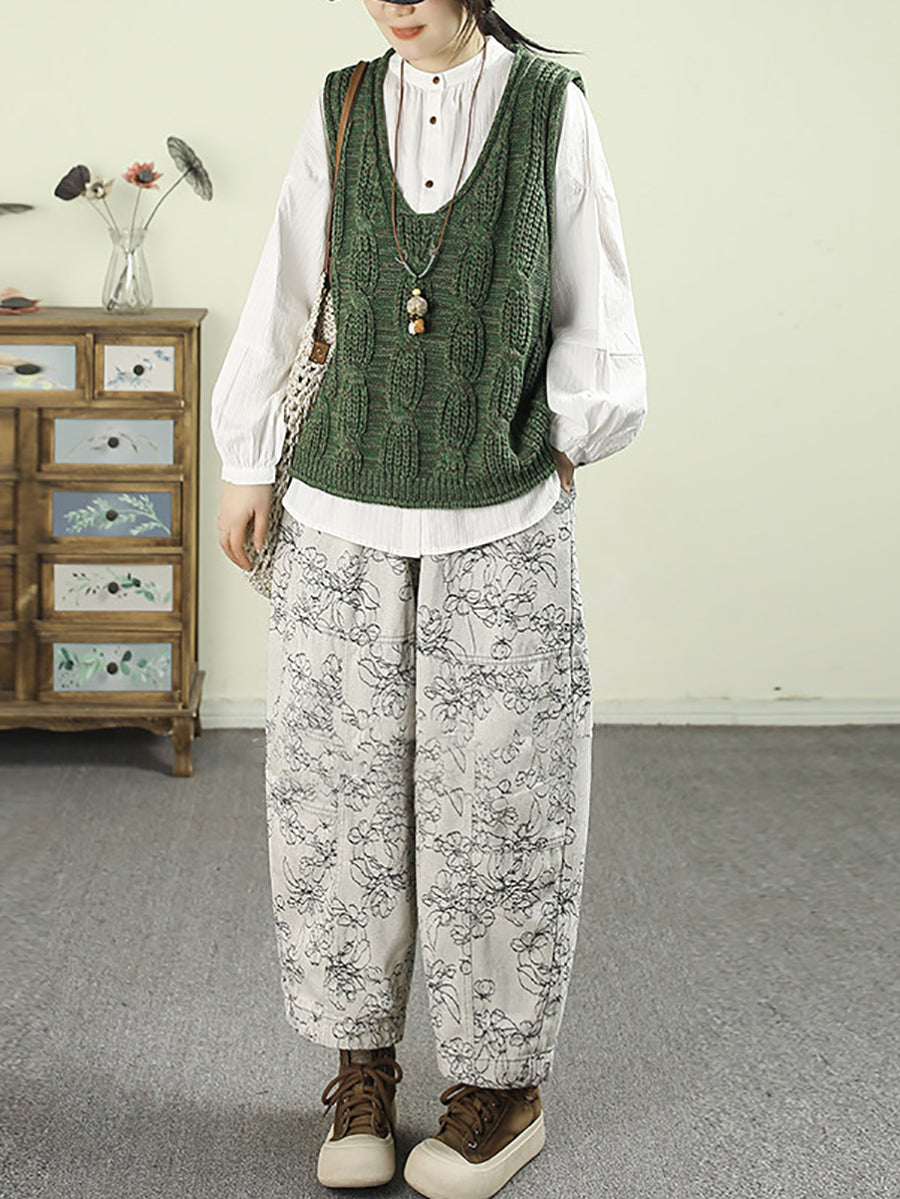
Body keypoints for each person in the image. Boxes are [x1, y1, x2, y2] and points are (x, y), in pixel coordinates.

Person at [211, 1, 647, 1195]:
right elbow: (286, 282)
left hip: (498, 517)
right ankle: (361, 1067)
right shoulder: (344, 101)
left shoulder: (549, 109)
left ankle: (500, 1088)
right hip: (336, 509)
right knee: (337, 801)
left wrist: (562, 443)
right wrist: (248, 461)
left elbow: (593, 301)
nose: (394, 4)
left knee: (501, 807)